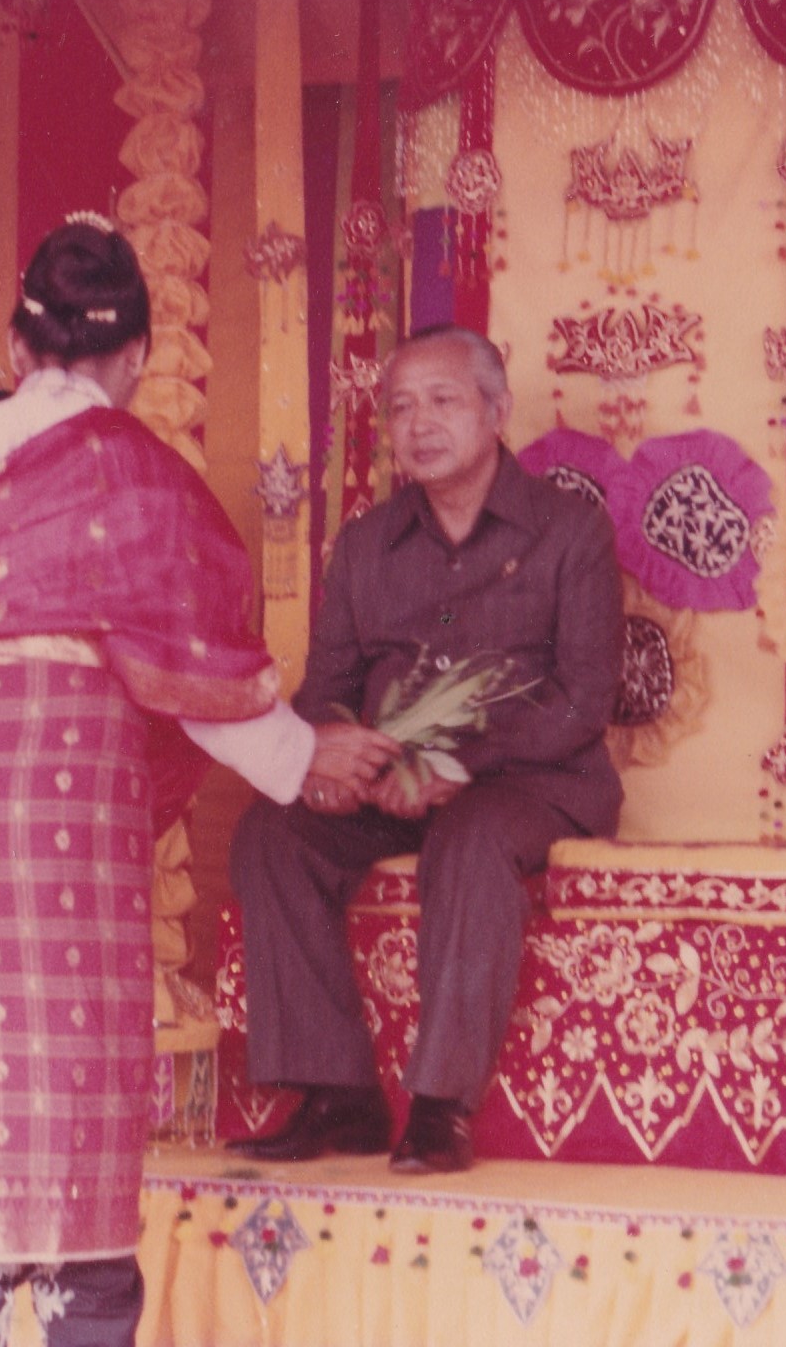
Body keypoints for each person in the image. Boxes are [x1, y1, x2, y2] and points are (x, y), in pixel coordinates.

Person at [0, 216, 395, 1347]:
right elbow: (199, 682)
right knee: (69, 1105)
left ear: (13, 345)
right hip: (61, 818)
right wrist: (303, 758)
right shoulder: (149, 478)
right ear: (137, 355)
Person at [228, 324, 623, 1175]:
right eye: (401, 407)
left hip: (532, 781)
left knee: (470, 836)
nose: (420, 425)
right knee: (272, 833)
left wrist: (454, 767)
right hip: (388, 785)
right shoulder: (369, 545)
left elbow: (584, 700)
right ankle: (340, 1095)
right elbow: (326, 689)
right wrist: (325, 762)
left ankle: (441, 1108)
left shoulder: (569, 530)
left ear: (497, 410)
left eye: (444, 401)